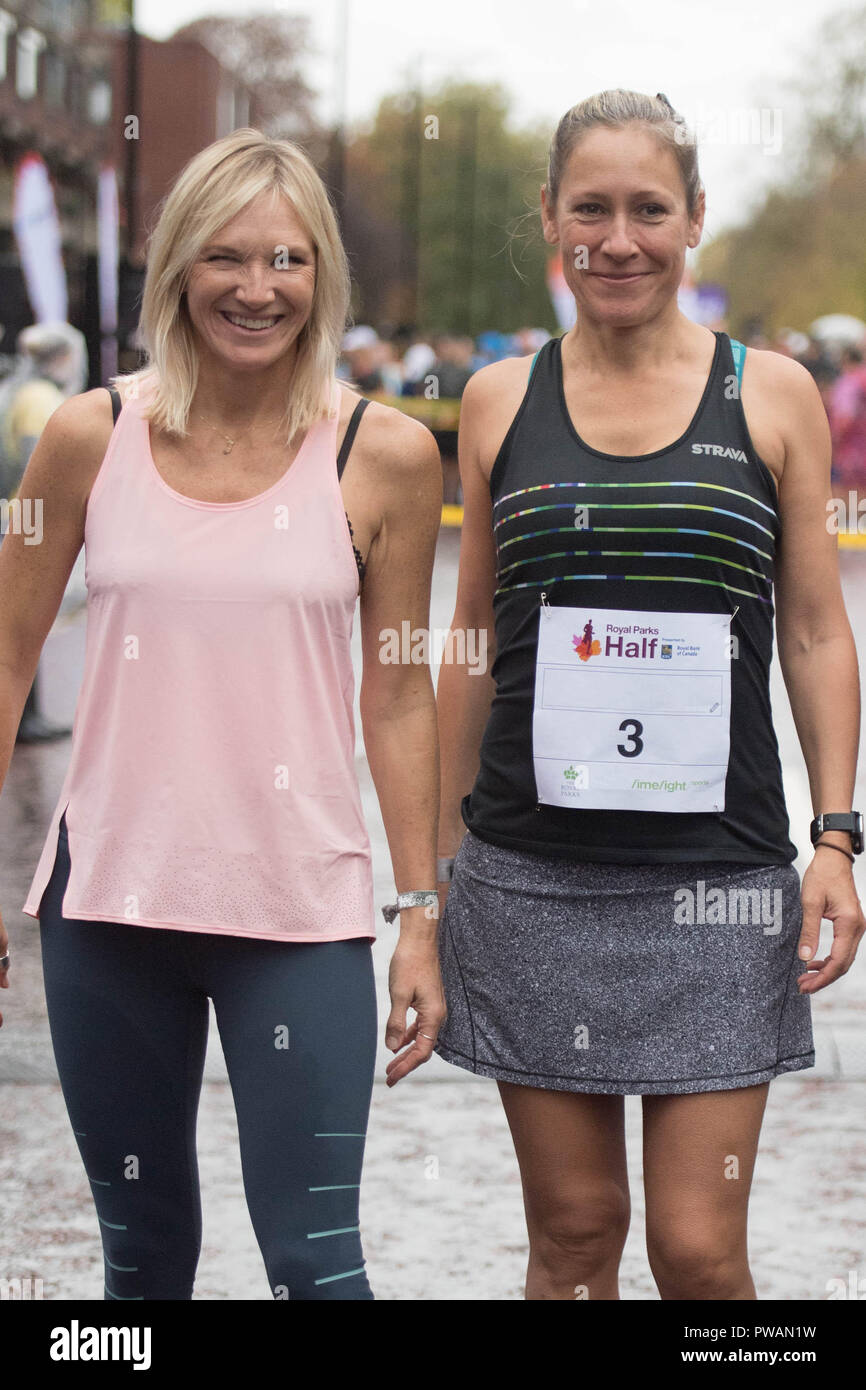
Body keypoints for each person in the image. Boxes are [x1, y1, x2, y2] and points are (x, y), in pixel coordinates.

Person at [432, 89, 864, 1301]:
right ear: (549, 218)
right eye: (590, 209)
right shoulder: (496, 399)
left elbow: (818, 633)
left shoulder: (769, 395)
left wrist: (834, 835)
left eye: (647, 210)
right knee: (571, 1239)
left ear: (692, 222)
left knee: (696, 1248)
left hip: (714, 886)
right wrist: (432, 871)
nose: (617, 239)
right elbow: (468, 638)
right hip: (529, 880)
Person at [0, 128, 446, 1300]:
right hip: (109, 909)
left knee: (317, 1264)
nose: (257, 289)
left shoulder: (382, 451)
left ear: (321, 276)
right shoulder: (88, 436)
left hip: (299, 913)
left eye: (287, 260)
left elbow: (397, 690)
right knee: (142, 1269)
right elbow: (6, 658)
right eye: (226, 258)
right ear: (178, 269)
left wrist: (419, 914)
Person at [0, 321, 88, 742]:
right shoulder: (41, 399)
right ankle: (25, 720)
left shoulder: (16, 391)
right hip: (28, 515)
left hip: (14, 512)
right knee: (27, 617)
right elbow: (44, 471)